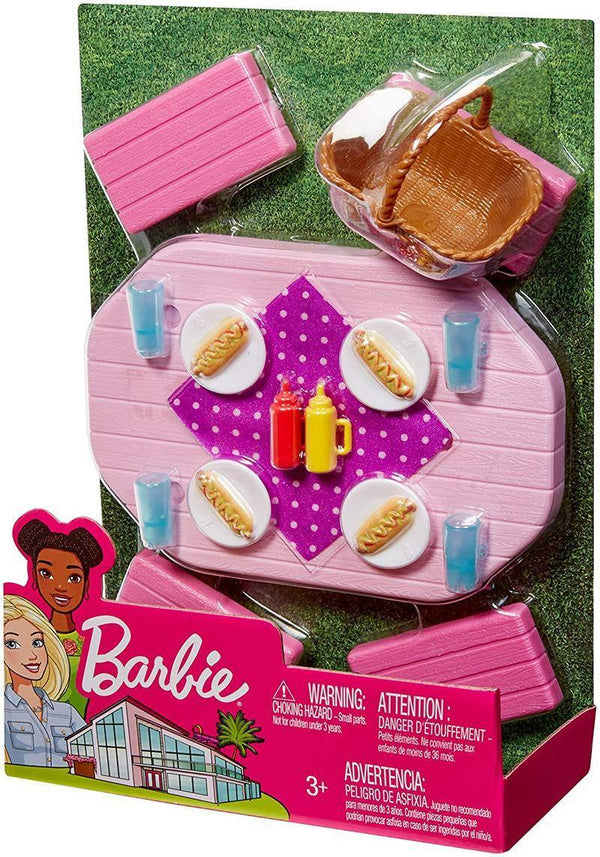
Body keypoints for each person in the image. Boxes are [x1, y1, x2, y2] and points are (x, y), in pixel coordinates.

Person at [14, 514, 107, 717]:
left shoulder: (94, 639)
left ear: (86, 584)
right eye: (46, 573)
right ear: (34, 576)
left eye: (73, 577)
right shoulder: (28, 636)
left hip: (83, 727)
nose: (59, 586)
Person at [4, 595, 86, 767]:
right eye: (12, 644)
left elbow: (96, 751)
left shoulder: (67, 713)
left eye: (37, 642)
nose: (32, 655)